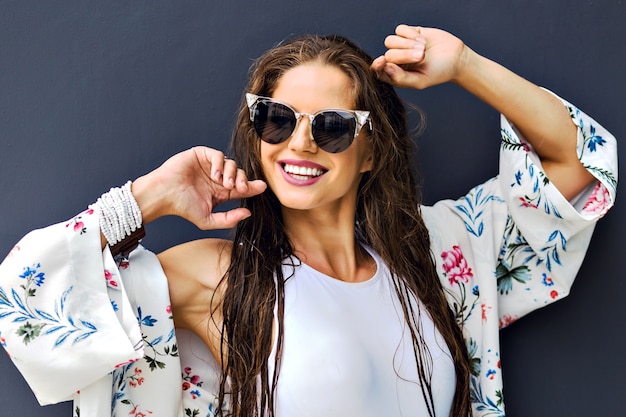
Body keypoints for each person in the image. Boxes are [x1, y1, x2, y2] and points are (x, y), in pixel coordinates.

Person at [0, 24, 617, 417]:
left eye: (331, 126)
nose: (299, 144)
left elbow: (573, 166)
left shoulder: (436, 256)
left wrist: (466, 66)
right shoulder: (217, 275)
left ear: (371, 149)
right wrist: (149, 197)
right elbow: (21, 300)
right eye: (275, 118)